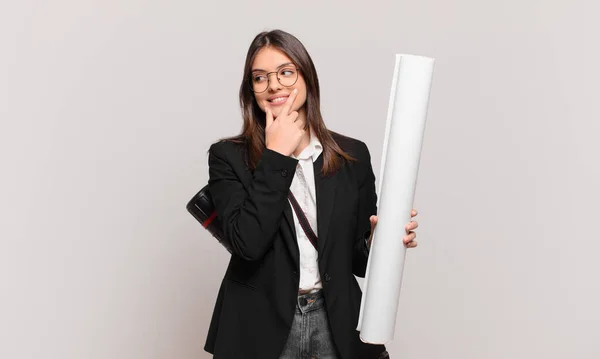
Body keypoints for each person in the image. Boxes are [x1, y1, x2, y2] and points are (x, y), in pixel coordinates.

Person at [204, 29, 419, 359]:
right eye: (260, 78)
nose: (274, 85)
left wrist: (380, 241)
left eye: (286, 72)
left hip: (338, 322)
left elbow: (359, 263)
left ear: (307, 77)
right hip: (259, 326)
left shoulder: (352, 155)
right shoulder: (227, 157)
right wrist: (276, 155)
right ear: (251, 90)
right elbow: (248, 244)